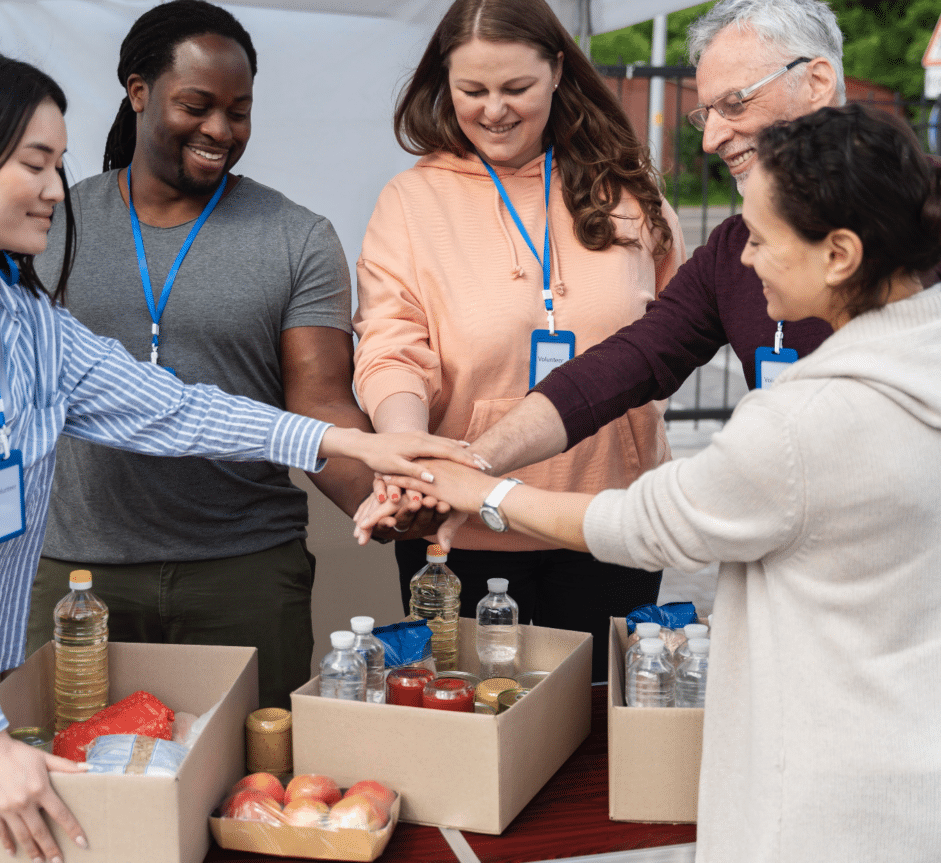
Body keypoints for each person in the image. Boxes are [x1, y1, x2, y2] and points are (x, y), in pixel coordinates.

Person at [0, 46, 473, 862]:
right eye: (34, 163)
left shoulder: (22, 319)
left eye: (58, 164)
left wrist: (348, 439)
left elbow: (175, 411)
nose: (52, 189)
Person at [376, 104, 941, 861]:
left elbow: (642, 522)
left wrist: (480, 490)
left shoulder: (804, 423)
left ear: (839, 254)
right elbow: (630, 360)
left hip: (817, 797)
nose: (744, 260)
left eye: (763, 239)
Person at [22, 0, 440, 710]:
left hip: (243, 571)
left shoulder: (296, 237)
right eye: (197, 104)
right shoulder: (50, 222)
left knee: (253, 791)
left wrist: (380, 496)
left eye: (238, 111)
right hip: (78, 573)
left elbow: (321, 405)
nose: (220, 129)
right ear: (138, 91)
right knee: (71, 783)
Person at [350, 0, 687, 679]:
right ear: (443, 81)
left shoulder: (628, 188)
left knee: (596, 737)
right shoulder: (411, 202)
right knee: (472, 729)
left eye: (516, 89)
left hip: (607, 519)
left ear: (558, 71)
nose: (493, 110)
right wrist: (410, 458)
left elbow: (676, 329)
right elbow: (391, 347)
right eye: (472, 90)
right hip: (459, 528)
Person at [456, 0, 846, 482]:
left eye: (734, 104)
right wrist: (474, 462)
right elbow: (627, 363)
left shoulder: (926, 214)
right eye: (708, 115)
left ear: (817, 83)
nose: (712, 140)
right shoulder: (734, 249)